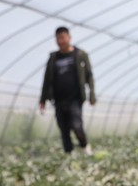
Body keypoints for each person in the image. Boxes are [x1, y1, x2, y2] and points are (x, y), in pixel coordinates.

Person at [39, 26, 96, 155]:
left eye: (62, 37)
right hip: (58, 99)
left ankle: (85, 146)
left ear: (69, 38)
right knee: (64, 129)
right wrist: (42, 100)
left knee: (76, 125)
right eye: (57, 38)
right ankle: (69, 154)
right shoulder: (53, 58)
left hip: (75, 98)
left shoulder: (80, 54)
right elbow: (46, 80)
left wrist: (92, 94)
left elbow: (89, 75)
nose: (60, 41)